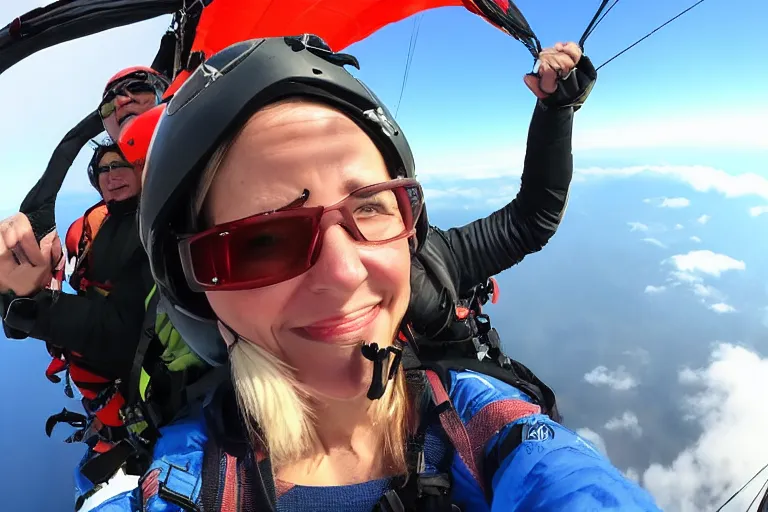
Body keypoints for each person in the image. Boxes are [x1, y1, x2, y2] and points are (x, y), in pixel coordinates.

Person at [90, 35, 661, 511]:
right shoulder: (181, 485)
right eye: (263, 240)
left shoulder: (483, 422)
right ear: (196, 289)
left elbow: (530, 221)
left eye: (370, 206)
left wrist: (555, 111)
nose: (342, 271)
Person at [0, 140, 207, 511]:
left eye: (122, 165)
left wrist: (34, 307)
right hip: (123, 411)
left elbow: (123, 331)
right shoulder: (95, 231)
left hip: (168, 402)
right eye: (103, 171)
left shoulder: (160, 223)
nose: (111, 176)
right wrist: (20, 302)